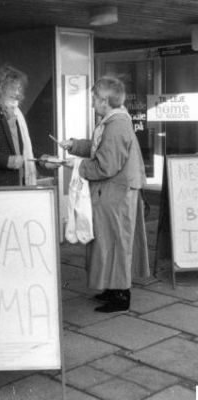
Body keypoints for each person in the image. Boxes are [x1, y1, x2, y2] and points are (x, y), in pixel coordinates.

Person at [60, 76, 150, 313]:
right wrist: (75, 145)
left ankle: (120, 295)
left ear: (104, 101)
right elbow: (101, 148)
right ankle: (112, 289)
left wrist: (74, 165)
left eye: (94, 99)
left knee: (114, 243)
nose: (92, 104)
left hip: (116, 194)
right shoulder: (116, 121)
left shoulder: (116, 125)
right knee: (108, 241)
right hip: (115, 193)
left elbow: (105, 166)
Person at [0, 64, 59, 187]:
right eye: (13, 88)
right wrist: (9, 161)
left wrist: (43, 159)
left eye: (19, 88)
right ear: (0, 89)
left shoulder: (16, 116)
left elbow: (22, 149)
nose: (17, 93)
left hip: (16, 184)